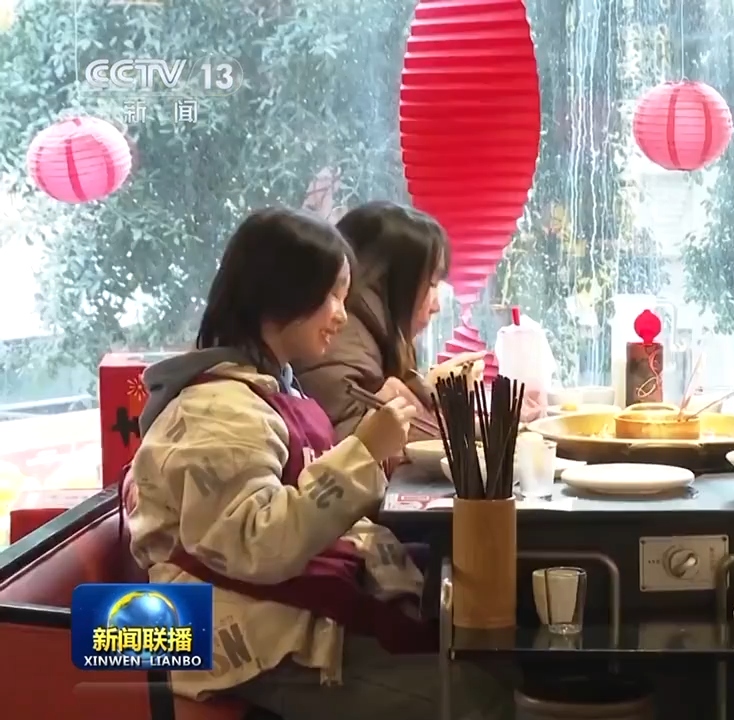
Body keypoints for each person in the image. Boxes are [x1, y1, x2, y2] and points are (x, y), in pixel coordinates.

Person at [123, 208, 505, 719]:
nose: (342, 317)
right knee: (479, 698)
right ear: (280, 297)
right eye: (331, 297)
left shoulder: (267, 386)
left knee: (469, 634)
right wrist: (364, 451)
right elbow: (260, 547)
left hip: (267, 610)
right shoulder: (216, 411)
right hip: (228, 637)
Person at [295, 201, 484, 441]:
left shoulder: (370, 333)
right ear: (393, 282)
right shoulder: (338, 340)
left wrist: (434, 391)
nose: (436, 306)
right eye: (432, 283)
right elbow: (361, 448)